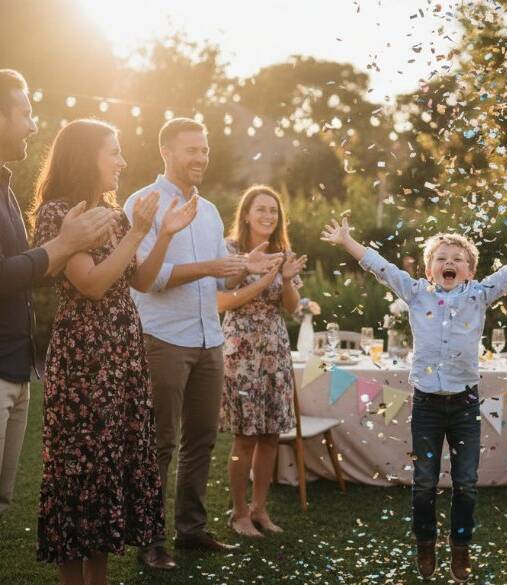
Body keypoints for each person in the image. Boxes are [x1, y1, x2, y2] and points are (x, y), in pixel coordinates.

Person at [321, 216, 507, 582]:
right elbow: (381, 267)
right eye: (442, 257)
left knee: (466, 483)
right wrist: (349, 241)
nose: (449, 261)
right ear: (429, 269)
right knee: (425, 483)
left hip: (464, 405)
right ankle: (425, 543)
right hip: (426, 405)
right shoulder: (415, 293)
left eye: (458, 258)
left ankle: (461, 549)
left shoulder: (479, 295)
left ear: (470, 271)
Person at [31, 119, 196, 584]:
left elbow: (139, 281)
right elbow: (92, 284)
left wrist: (161, 234)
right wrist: (134, 233)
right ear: (87, 157)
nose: (123, 162)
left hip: (122, 353)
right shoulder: (57, 213)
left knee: (109, 470)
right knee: (80, 471)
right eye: (114, 152)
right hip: (85, 357)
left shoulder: (117, 215)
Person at [123, 118, 279, 570]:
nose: (201, 158)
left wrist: (245, 267)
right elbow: (149, 280)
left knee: (202, 441)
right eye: (192, 149)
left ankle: (190, 530)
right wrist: (216, 264)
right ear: (166, 151)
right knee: (161, 442)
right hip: (163, 338)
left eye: (205, 150)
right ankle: (150, 541)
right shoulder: (143, 203)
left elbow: (217, 277)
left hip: (210, 338)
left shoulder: (209, 211)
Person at [0, 70, 116, 519]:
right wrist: (65, 245)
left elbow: (29, 272)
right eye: (25, 113)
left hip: (16, 365)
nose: (33, 125)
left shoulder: (7, 188)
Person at [218, 185, 307, 538]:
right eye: (261, 209)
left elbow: (291, 306)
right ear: (246, 214)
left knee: (270, 434)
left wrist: (284, 280)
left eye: (274, 210)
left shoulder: (284, 253)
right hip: (241, 349)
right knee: (245, 437)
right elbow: (223, 289)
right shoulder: (229, 248)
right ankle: (239, 513)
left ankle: (260, 509)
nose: (268, 216)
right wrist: (247, 267)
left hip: (274, 350)